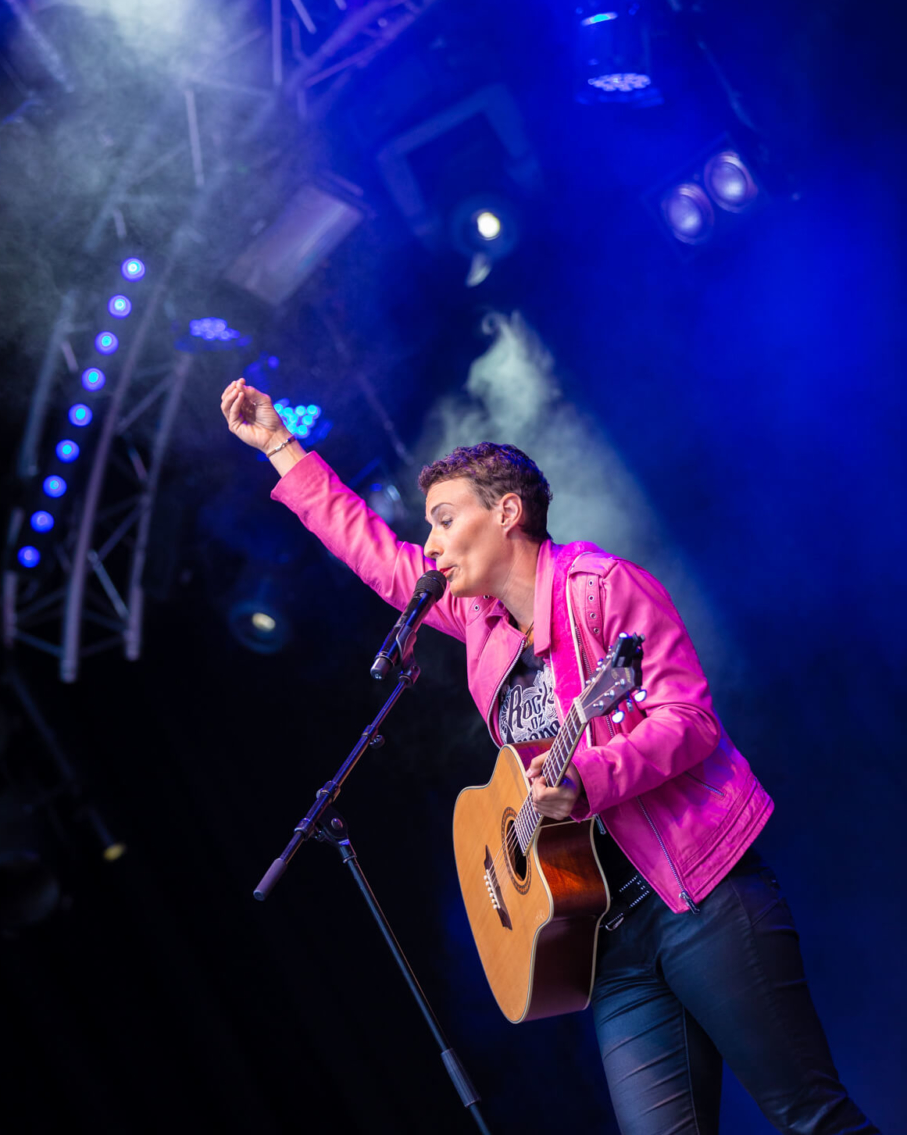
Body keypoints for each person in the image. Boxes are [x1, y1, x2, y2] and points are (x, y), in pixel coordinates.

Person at [221, 377, 878, 1135]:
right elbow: (376, 555)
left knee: (811, 1118)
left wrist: (588, 776)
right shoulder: (480, 621)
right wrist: (278, 447)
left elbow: (690, 719)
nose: (428, 544)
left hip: (700, 899)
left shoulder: (603, 589)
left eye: (442, 520)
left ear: (507, 513)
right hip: (606, 935)